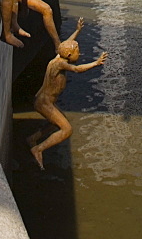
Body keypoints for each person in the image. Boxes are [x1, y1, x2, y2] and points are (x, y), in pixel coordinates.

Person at [27, 18, 107, 169]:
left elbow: (64, 46)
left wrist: (77, 31)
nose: (80, 53)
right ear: (70, 55)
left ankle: (32, 138)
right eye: (77, 51)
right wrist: (96, 63)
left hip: (43, 100)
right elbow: (77, 69)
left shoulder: (59, 56)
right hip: (45, 103)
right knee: (67, 129)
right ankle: (38, 149)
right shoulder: (62, 64)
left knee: (57, 122)